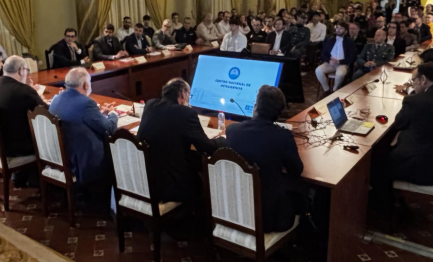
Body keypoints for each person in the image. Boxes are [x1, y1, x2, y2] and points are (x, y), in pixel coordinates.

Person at [370, 63, 433, 204]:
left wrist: (412, 96)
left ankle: (383, 204)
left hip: (424, 169)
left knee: (375, 161)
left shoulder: (415, 101)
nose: (413, 84)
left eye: (413, 80)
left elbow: (399, 124)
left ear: (423, 79)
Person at [225, 85, 304, 233]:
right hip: (269, 218)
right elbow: (297, 170)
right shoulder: (283, 137)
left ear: (256, 107)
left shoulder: (232, 130)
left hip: (236, 209)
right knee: (302, 191)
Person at [137, 78, 225, 204]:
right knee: (203, 169)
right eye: (189, 95)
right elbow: (206, 147)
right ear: (183, 94)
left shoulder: (150, 105)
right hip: (173, 186)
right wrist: (221, 140)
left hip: (149, 180)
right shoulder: (186, 113)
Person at [49, 67, 118, 188]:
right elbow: (109, 128)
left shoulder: (56, 99)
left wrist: (100, 115)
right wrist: (113, 114)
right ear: (86, 85)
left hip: (64, 155)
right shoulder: (86, 103)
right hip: (86, 162)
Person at [0, 56, 48, 186]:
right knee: (53, 134)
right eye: (27, 70)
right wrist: (36, 94)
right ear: (21, 71)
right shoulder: (23, 91)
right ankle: (40, 179)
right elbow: (47, 113)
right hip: (18, 148)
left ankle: (22, 175)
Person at [316, 21, 357, 95]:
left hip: (342, 64)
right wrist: (329, 60)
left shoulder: (349, 42)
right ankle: (327, 90)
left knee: (340, 74)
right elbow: (323, 54)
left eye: (341, 28)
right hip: (330, 63)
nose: (338, 30)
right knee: (318, 70)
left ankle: (334, 90)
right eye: (337, 28)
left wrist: (339, 62)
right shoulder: (330, 40)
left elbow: (352, 57)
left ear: (346, 31)